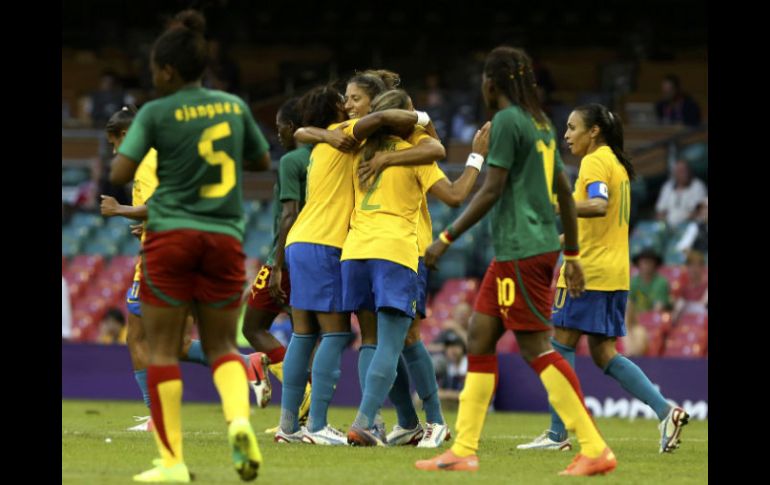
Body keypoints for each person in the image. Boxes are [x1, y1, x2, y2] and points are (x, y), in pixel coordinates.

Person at [415, 46, 615, 476]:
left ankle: (594, 446)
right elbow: (563, 189)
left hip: (523, 250)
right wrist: (573, 254)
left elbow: (489, 189)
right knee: (479, 337)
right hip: (521, 249)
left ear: (491, 84)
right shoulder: (541, 124)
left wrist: (446, 238)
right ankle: (463, 449)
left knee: (535, 347)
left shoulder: (507, 121)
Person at [109, 10, 270, 482]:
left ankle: (173, 463)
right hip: (224, 236)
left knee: (161, 348)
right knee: (221, 344)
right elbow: (261, 159)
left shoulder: (157, 112)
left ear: (165, 71)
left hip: (171, 237)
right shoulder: (233, 106)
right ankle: (239, 422)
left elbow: (120, 173)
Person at [516, 103, 688, 455]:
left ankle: (557, 433)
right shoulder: (618, 165)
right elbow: (595, 226)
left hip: (586, 273)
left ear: (594, 131)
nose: (566, 135)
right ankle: (665, 410)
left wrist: (554, 207)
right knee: (604, 353)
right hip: (614, 272)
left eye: (572, 127)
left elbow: (597, 206)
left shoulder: (594, 162)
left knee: (559, 347)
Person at [100, 105, 260, 434]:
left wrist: (121, 210)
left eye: (116, 143)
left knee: (140, 337)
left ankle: (159, 418)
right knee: (172, 343)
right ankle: (244, 365)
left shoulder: (146, 160)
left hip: (164, 256)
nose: (116, 151)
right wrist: (140, 222)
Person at [241, 97, 313, 418]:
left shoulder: (291, 161)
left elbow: (289, 215)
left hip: (284, 258)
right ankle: (305, 411)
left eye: (280, 127)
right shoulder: (326, 159)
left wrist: (278, 265)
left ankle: (300, 390)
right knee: (307, 334)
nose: (278, 134)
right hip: (319, 255)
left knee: (253, 327)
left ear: (291, 127)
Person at [655, 159, 707, 227]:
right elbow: (660, 211)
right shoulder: (667, 187)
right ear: (674, 173)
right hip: (669, 227)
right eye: (680, 171)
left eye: (685, 170)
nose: (684, 174)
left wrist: (680, 223)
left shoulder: (698, 186)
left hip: (691, 226)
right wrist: (664, 224)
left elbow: (700, 211)